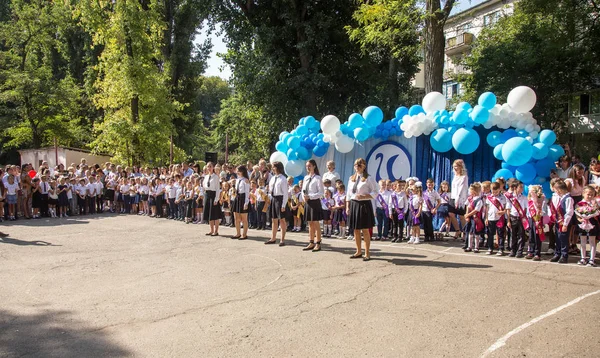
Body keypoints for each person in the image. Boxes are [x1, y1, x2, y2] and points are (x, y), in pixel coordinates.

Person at [346, 158, 378, 261]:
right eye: (355, 165)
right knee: (355, 229)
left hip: (364, 204)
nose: (357, 167)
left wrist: (364, 196)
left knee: (365, 229)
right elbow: (348, 194)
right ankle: (358, 251)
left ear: (364, 166)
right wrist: (347, 206)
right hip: (354, 204)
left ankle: (367, 253)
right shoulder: (351, 178)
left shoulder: (369, 178)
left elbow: (375, 192)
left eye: (359, 165)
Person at [300, 159, 324, 251]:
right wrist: (304, 197)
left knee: (316, 223)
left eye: (309, 166)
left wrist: (310, 196)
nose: (308, 167)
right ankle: (311, 242)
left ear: (314, 166)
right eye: (307, 166)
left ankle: (318, 243)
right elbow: (303, 190)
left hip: (314, 202)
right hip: (308, 202)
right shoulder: (306, 177)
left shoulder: (318, 178)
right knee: (310, 223)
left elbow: (321, 192)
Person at [265, 161, 288, 246]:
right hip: (273, 199)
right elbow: (271, 190)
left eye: (273, 167)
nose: (272, 168)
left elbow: (285, 193)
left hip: (280, 199)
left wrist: (283, 205)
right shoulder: (273, 178)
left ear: (278, 168)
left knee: (282, 220)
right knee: (273, 219)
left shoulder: (283, 179)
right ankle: (273, 238)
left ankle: (282, 239)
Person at [550, 180, 574, 264]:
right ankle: (557, 253)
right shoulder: (560, 198)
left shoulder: (568, 199)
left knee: (564, 239)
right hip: (558, 221)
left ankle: (564, 256)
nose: (556, 192)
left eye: (556, 190)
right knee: (558, 238)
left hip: (564, 223)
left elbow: (569, 212)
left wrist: (565, 224)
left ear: (559, 189)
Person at [575, 186, 599, 266]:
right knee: (583, 242)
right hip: (583, 225)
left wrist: (594, 212)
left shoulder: (594, 204)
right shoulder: (580, 204)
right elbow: (577, 214)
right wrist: (580, 219)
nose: (590, 196)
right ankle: (583, 258)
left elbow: (597, 213)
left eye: (592, 195)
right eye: (588, 194)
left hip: (592, 224)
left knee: (592, 242)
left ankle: (592, 259)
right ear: (583, 194)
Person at [506, 180, 528, 258]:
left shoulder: (524, 198)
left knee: (521, 235)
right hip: (513, 217)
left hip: (521, 218)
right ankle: (513, 250)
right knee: (513, 235)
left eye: (522, 187)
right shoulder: (510, 198)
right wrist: (508, 220)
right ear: (515, 188)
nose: (522, 189)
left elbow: (525, 209)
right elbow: (508, 209)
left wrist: (524, 218)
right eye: (520, 187)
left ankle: (520, 251)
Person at [485, 182, 507, 256]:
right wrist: (486, 218)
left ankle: (501, 249)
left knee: (500, 234)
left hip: (499, 218)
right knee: (490, 234)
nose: (494, 193)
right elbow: (487, 208)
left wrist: (503, 212)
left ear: (499, 189)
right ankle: (490, 248)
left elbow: (506, 208)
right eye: (493, 191)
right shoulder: (489, 198)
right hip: (491, 218)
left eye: (496, 192)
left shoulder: (503, 198)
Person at [526, 185, 547, 261]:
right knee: (531, 235)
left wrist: (539, 213)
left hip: (538, 219)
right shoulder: (529, 200)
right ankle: (531, 251)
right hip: (531, 219)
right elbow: (528, 211)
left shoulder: (542, 199)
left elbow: (544, 211)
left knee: (537, 236)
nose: (531, 192)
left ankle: (537, 253)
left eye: (532, 191)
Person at [450, 159, 468, 239]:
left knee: (461, 216)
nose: (455, 168)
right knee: (451, 214)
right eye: (454, 167)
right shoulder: (455, 176)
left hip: (461, 199)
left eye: (456, 166)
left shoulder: (464, 177)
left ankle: (465, 232)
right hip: (453, 197)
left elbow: (461, 189)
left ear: (461, 167)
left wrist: (458, 199)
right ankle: (458, 230)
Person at [203, 162, 222, 236]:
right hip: (207, 194)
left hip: (213, 195)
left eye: (210, 166)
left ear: (213, 167)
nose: (209, 168)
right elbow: (204, 186)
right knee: (209, 214)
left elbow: (217, 189)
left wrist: (216, 199)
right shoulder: (206, 176)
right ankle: (211, 230)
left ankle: (216, 231)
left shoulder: (216, 177)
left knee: (215, 214)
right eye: (208, 167)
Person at [232, 165, 251, 240]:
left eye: (238, 171)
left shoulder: (245, 180)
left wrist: (246, 203)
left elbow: (247, 193)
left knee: (244, 218)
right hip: (237, 198)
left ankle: (244, 234)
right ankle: (238, 233)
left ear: (242, 171)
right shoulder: (237, 180)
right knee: (236, 217)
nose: (237, 172)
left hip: (243, 198)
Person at [464, 183, 484, 253]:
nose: (469, 191)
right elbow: (468, 206)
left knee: (476, 233)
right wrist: (467, 214)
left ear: (474, 191)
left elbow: (476, 210)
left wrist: (468, 214)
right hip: (471, 218)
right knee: (470, 232)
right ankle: (469, 246)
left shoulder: (479, 200)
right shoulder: (470, 198)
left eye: (471, 190)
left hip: (476, 219)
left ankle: (476, 247)